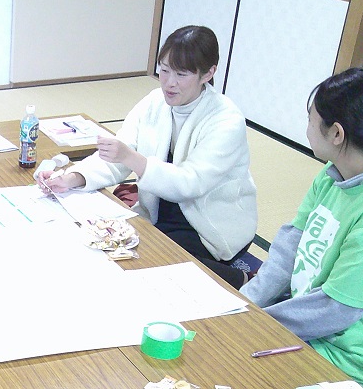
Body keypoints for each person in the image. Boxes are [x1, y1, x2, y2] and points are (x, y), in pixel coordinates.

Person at [242, 67, 363, 388]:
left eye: (310, 120)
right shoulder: (335, 172)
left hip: (345, 353)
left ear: (337, 134)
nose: (307, 128)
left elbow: (336, 310)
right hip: (310, 318)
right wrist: (244, 305)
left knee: (228, 368)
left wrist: (256, 325)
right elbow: (291, 244)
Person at [38, 26, 257, 288]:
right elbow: (117, 154)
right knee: (105, 242)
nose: (169, 82)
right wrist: (73, 178)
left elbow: (190, 183)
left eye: (181, 74)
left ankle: (242, 279)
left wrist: (132, 158)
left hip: (209, 222)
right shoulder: (155, 102)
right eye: (164, 70)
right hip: (159, 207)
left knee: (146, 257)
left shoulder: (226, 119)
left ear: (208, 73)